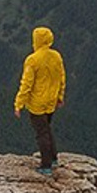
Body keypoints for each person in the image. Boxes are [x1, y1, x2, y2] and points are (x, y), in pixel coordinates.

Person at [13, 25, 65, 174]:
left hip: (37, 103)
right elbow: (61, 78)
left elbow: (26, 84)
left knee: (41, 133)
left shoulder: (32, 60)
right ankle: (54, 158)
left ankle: (46, 166)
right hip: (51, 101)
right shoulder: (56, 56)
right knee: (47, 129)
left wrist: (19, 104)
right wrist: (60, 96)